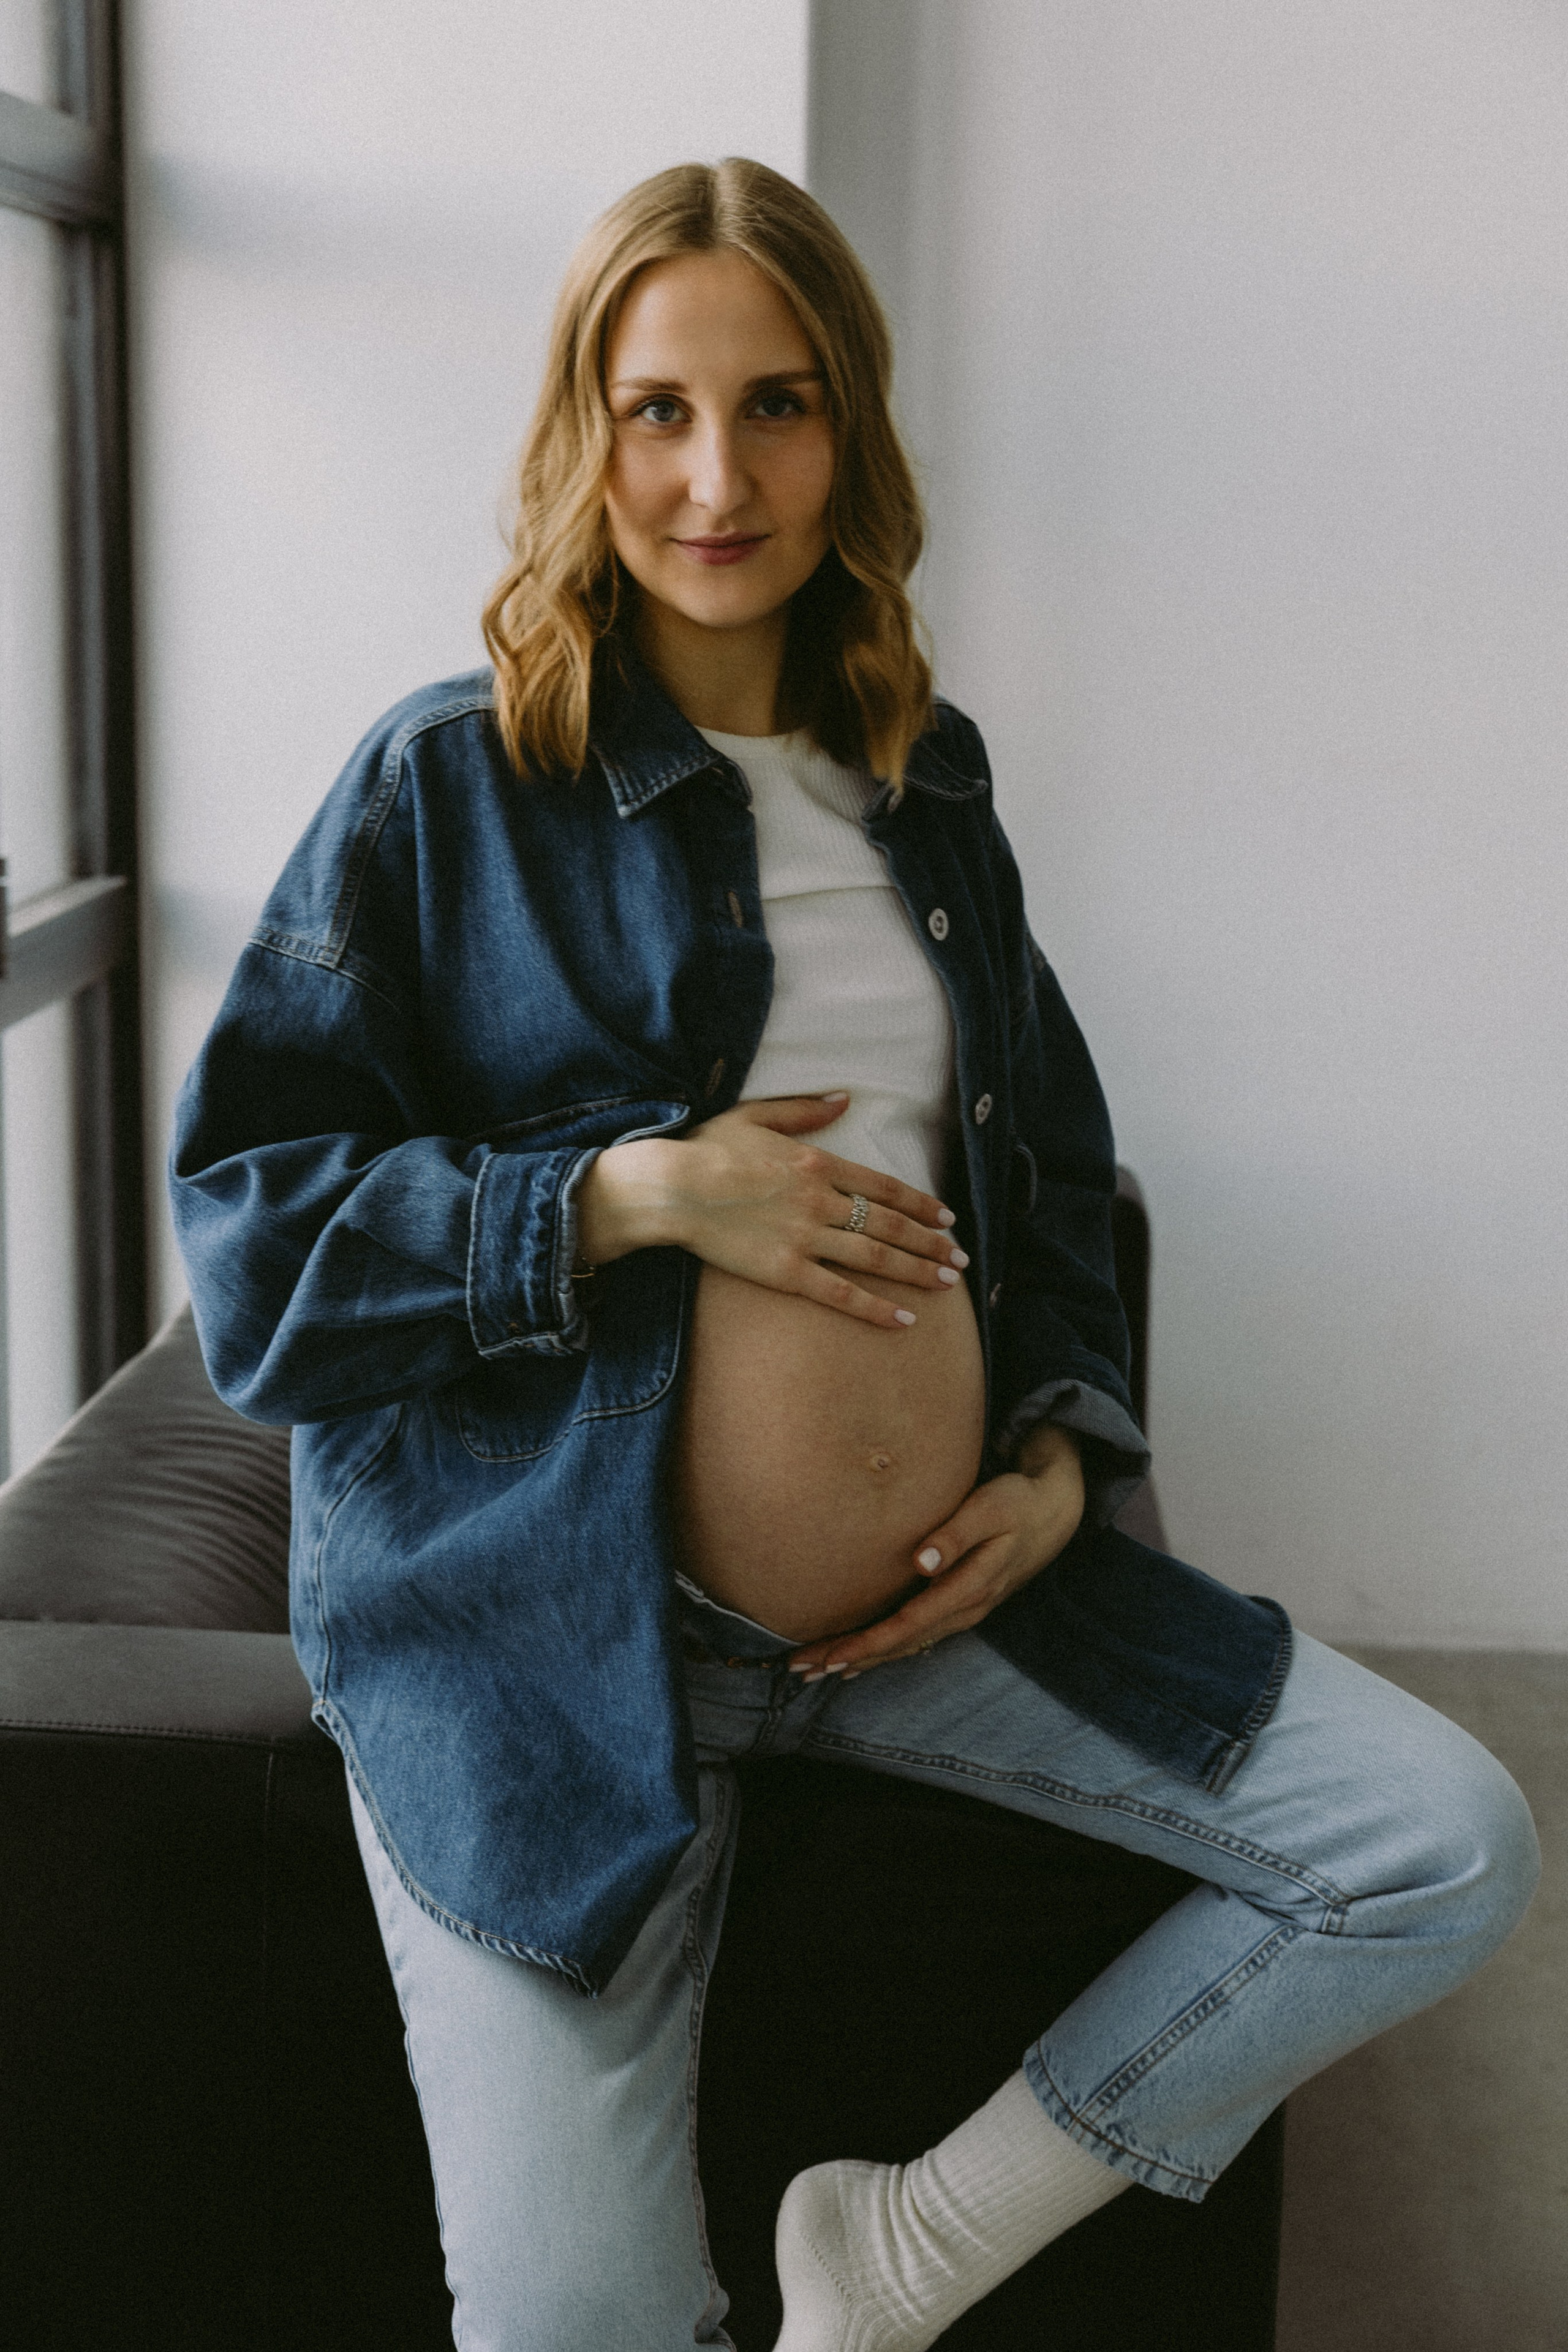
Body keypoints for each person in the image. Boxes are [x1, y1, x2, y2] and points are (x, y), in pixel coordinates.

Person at [170, 159, 1538, 2352]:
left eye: (781, 405)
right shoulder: (446, 787)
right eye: (658, 408)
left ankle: (893, 2250)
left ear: (853, 433)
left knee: (1445, 1846)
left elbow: (1055, 1166)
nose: (721, 475)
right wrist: (629, 1193)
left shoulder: (924, 777)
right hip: (540, 1646)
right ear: (581, 431)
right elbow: (254, 1251)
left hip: (934, 1627)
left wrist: (1068, 1453)